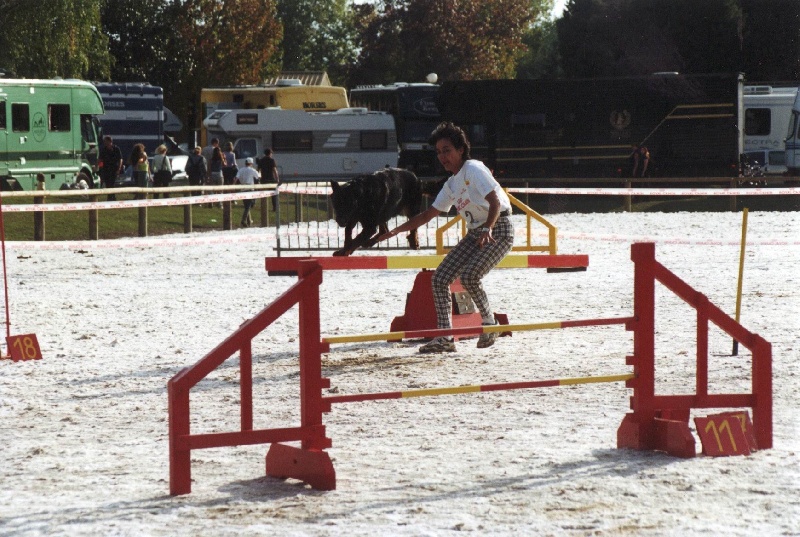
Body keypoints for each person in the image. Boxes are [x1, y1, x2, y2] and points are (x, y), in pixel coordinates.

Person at [374, 122, 515, 353]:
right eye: (439, 152)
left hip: (498, 227)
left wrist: (488, 227)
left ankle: (490, 325)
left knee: (470, 276)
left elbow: (496, 202)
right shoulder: (451, 184)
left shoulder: (474, 169)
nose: (442, 156)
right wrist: (398, 230)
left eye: (447, 150)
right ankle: (445, 337)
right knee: (439, 278)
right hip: (476, 232)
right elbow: (428, 214)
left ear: (461, 149)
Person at [235, 157, 260, 227]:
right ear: (251, 163)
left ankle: (249, 221)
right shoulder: (252, 170)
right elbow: (258, 178)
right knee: (249, 206)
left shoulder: (241, 170)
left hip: (243, 188)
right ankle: (243, 220)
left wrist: (233, 185)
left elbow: (236, 178)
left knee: (246, 206)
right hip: (250, 189)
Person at [98, 135, 123, 200]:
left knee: (112, 183)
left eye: (105, 141)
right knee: (108, 184)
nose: (104, 142)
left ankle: (112, 196)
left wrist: (119, 169)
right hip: (106, 169)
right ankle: (110, 197)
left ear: (109, 141)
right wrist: (100, 169)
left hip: (114, 169)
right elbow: (100, 160)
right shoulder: (104, 150)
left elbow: (120, 159)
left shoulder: (116, 149)